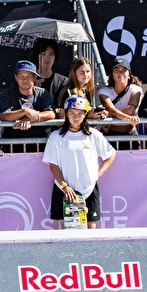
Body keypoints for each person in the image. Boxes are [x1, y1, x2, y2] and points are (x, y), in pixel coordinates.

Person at [43, 96, 117, 229]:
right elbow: (53, 165)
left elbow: (110, 154)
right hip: (65, 190)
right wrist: (65, 187)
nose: (75, 117)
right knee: (67, 230)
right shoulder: (56, 136)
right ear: (66, 114)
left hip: (88, 188)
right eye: (72, 113)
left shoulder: (93, 135)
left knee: (90, 230)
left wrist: (98, 174)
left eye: (79, 113)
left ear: (85, 114)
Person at [0, 60, 56, 139]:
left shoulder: (42, 93)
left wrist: (29, 118)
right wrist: (25, 111)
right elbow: (3, 116)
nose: (25, 80)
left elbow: (51, 114)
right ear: (16, 77)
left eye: (29, 76)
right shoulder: (7, 94)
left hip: (38, 144)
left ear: (35, 77)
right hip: (11, 144)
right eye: (21, 76)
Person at [97, 58, 142, 135]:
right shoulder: (104, 91)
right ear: (112, 75)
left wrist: (111, 118)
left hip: (130, 133)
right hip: (109, 133)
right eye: (116, 70)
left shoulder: (136, 89)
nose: (120, 73)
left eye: (124, 70)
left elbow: (130, 110)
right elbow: (111, 110)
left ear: (129, 75)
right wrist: (129, 118)